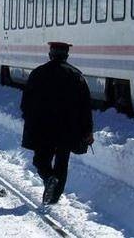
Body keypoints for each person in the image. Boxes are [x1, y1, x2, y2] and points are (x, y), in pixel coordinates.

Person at [20, 41, 94, 205]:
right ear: (67, 56)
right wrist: (87, 130)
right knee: (62, 162)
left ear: (50, 54)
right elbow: (85, 107)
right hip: (68, 130)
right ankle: (53, 198)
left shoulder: (38, 73)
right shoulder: (76, 76)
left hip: (42, 128)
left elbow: (26, 103)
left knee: (40, 160)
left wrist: (29, 119)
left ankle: (48, 177)